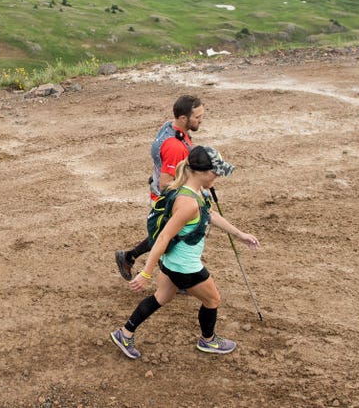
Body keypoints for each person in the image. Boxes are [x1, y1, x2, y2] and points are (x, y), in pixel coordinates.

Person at [110, 145, 259, 359]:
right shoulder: (188, 204)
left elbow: (210, 215)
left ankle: (125, 333)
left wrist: (239, 234)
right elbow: (163, 238)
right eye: (216, 173)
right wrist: (145, 273)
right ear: (203, 172)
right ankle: (208, 341)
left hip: (170, 261)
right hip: (185, 267)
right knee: (212, 299)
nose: (217, 177)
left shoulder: (189, 189)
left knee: (162, 296)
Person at [115, 95, 204, 280]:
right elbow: (166, 183)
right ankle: (170, 276)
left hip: (157, 189)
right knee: (169, 236)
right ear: (183, 118)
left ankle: (129, 257)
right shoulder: (175, 147)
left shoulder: (169, 126)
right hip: (165, 196)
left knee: (166, 234)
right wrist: (187, 196)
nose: (201, 120)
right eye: (197, 117)